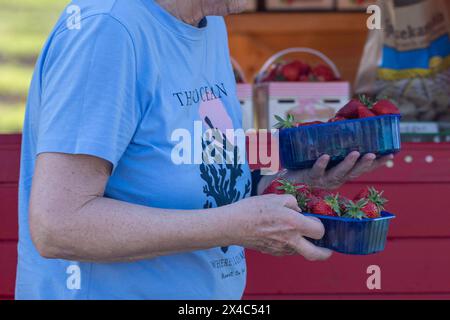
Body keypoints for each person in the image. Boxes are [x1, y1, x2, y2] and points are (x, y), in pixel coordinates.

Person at [16, 0, 393, 300]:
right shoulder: (107, 31)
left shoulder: (210, 23)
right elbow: (58, 226)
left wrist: (292, 183)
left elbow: (200, 177)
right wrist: (237, 226)